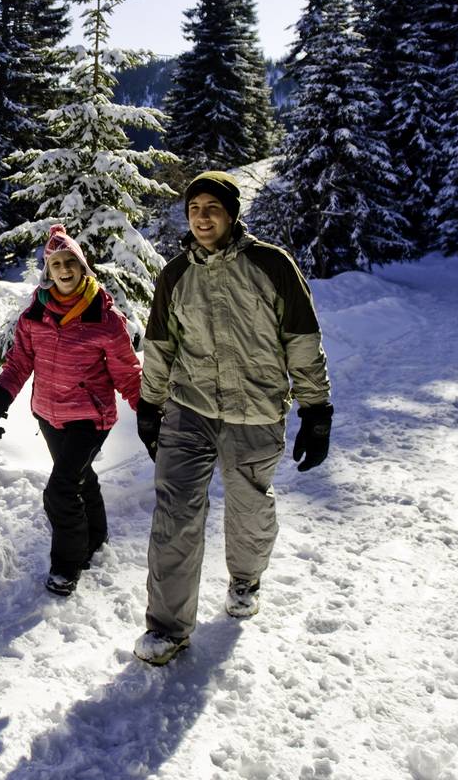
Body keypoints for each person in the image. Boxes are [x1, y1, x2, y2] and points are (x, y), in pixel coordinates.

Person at [131, 171, 333, 666]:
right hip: (190, 408)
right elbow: (159, 346)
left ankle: (245, 580)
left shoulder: (271, 265)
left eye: (212, 208)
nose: (202, 217)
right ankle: (167, 628)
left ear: (231, 213)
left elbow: (302, 343)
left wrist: (316, 410)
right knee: (175, 512)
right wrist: (149, 405)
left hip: (256, 410)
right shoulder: (176, 273)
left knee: (248, 505)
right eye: (194, 208)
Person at [0, 224, 143, 597]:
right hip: (50, 415)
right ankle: (97, 534)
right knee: (80, 478)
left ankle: (67, 566)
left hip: (90, 417)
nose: (64, 270)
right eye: (56, 264)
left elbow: (127, 373)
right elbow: (19, 362)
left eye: (71, 262)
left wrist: (148, 415)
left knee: (60, 490)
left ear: (83, 267)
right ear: (48, 271)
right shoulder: (35, 316)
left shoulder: (103, 317)